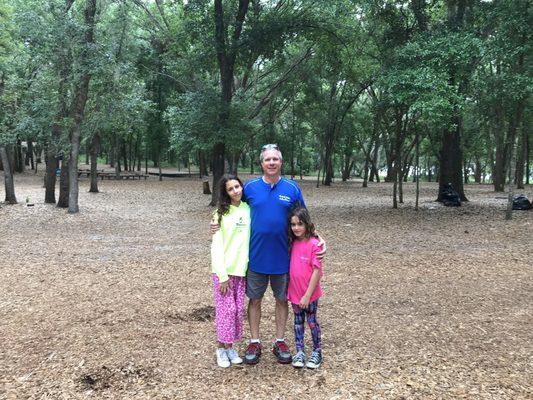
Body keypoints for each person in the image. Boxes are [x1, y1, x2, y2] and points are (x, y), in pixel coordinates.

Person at [210, 175, 250, 368]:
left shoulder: (248, 209)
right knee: (226, 312)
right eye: (230, 189)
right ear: (225, 193)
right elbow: (216, 246)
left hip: (241, 272)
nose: (236, 191)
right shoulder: (220, 214)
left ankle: (230, 347)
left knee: (236, 312)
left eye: (237, 186)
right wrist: (222, 275)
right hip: (224, 272)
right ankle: (220, 349)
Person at [287, 206, 323, 369]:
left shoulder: (314, 244)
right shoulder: (291, 242)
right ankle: (300, 351)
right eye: (293, 224)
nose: (296, 228)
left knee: (312, 321)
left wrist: (307, 295)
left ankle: (317, 351)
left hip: (310, 294)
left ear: (307, 224)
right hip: (294, 293)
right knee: (297, 323)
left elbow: (317, 271)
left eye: (300, 224)